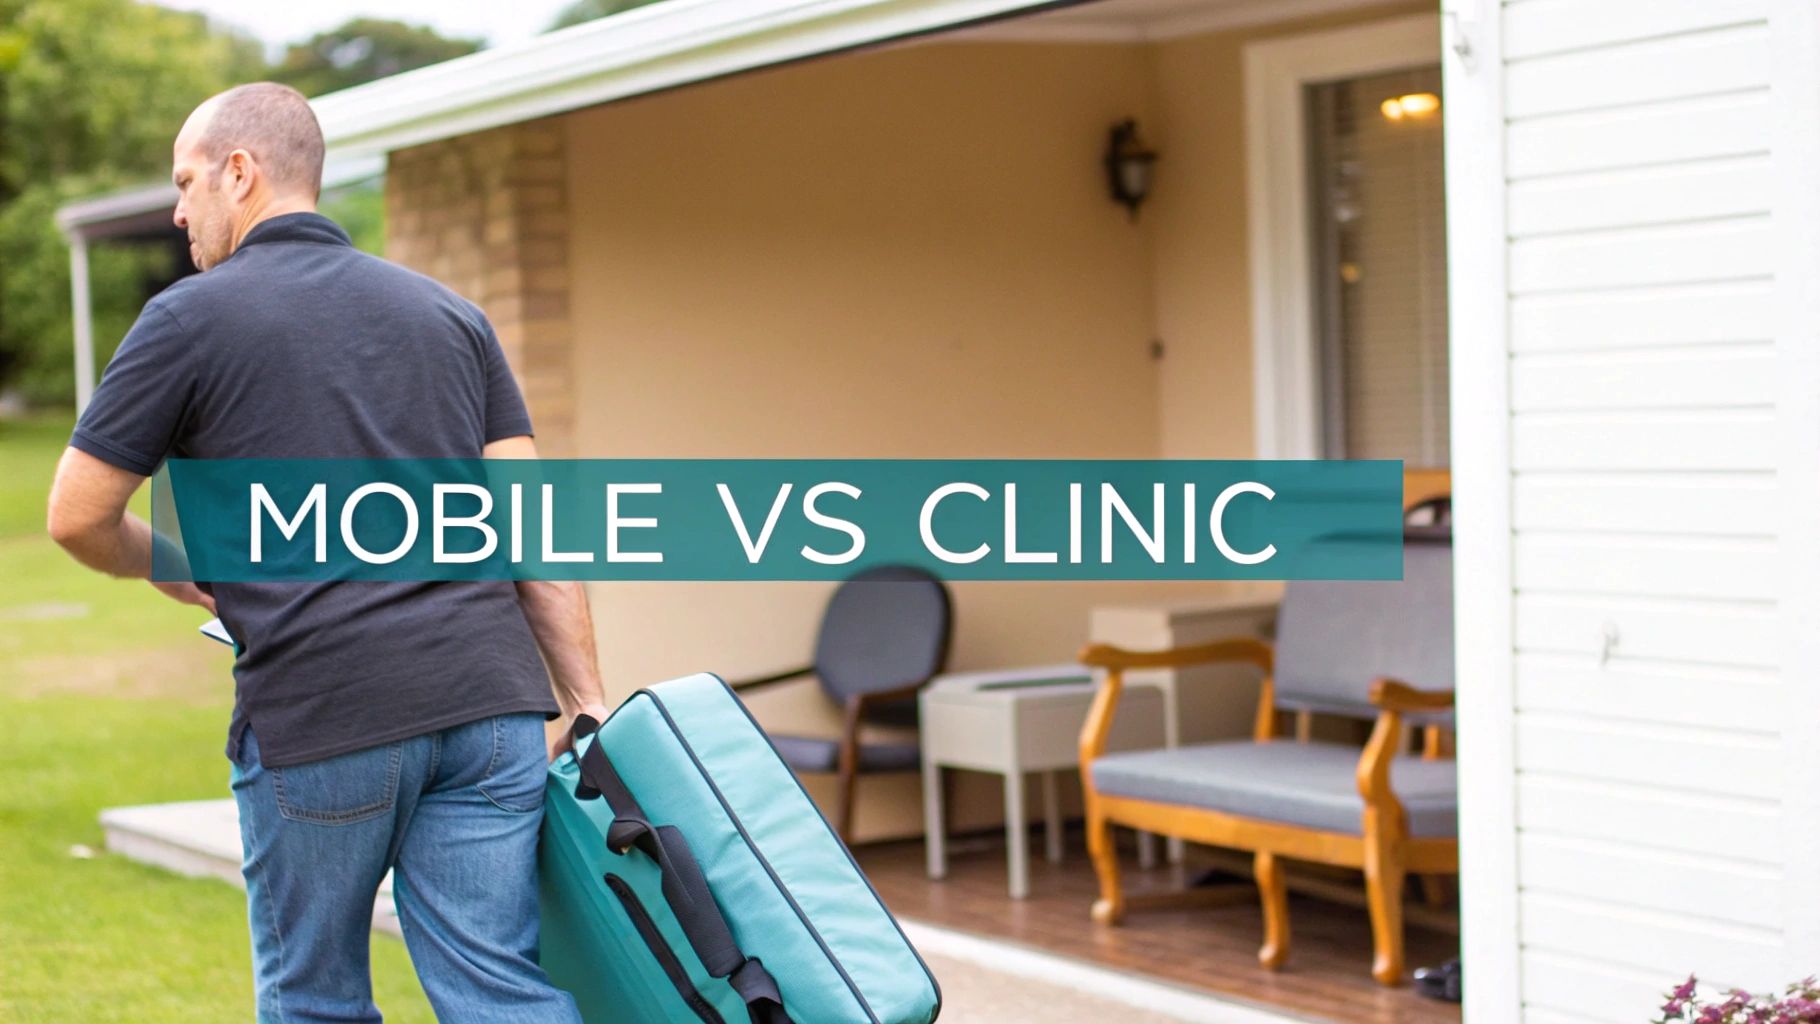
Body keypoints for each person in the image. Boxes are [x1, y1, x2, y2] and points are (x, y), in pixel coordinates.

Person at [46, 82, 596, 1024]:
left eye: (186, 183)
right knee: (500, 992)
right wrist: (588, 700)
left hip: (327, 717)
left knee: (316, 1000)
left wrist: (181, 571)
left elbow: (77, 517)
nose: (178, 211)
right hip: (491, 711)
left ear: (241, 172)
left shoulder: (186, 320)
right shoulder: (453, 317)